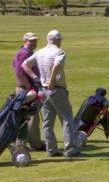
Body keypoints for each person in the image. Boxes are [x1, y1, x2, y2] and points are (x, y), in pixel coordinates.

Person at [22, 29, 80, 157]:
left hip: (43, 90)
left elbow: (25, 65)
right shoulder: (59, 52)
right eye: (60, 40)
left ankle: (51, 150)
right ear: (57, 40)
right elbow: (57, 65)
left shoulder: (39, 52)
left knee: (47, 122)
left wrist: (35, 78)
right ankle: (70, 150)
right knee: (66, 119)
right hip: (56, 89)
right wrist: (52, 81)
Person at [12, 32, 44, 150]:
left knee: (32, 117)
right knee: (25, 117)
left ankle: (34, 143)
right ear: (25, 41)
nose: (34, 42)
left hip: (29, 89)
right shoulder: (23, 53)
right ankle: (23, 144)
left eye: (35, 40)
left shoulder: (28, 53)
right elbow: (19, 73)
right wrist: (30, 88)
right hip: (25, 89)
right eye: (31, 40)